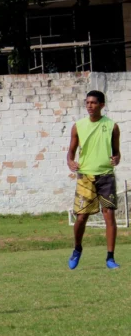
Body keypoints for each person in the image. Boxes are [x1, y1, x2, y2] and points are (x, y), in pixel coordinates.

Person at [67, 90, 122, 270]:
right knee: (81, 217)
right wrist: (70, 162)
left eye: (93, 103)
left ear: (102, 105)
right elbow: (71, 151)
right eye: (87, 102)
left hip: (106, 175)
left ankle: (110, 258)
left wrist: (116, 158)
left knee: (109, 216)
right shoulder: (78, 126)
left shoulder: (112, 126)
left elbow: (116, 152)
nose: (89, 106)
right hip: (85, 176)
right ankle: (77, 249)